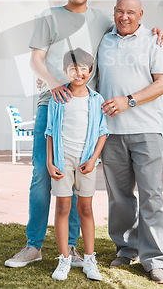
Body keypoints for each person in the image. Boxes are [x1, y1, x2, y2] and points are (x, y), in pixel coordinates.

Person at [5, 0, 163, 268]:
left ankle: (72, 247)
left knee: (81, 176)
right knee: (42, 174)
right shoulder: (48, 16)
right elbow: (35, 60)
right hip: (51, 105)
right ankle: (33, 245)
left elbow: (129, 27)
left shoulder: (104, 20)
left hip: (87, 111)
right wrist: (53, 84)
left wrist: (157, 32)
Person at [98, 0, 163, 285]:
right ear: (113, 13)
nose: (124, 17)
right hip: (112, 132)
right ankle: (126, 249)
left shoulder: (155, 40)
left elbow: (162, 84)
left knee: (151, 195)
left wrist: (128, 101)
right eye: (119, 11)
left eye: (130, 12)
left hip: (147, 131)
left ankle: (154, 260)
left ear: (141, 15)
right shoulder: (104, 40)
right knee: (119, 198)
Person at [45, 48, 108, 281]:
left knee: (86, 209)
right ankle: (64, 260)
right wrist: (51, 162)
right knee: (62, 208)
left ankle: (90, 259)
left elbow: (103, 132)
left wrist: (93, 160)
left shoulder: (96, 99)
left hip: (86, 163)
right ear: (65, 71)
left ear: (90, 71)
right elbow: (50, 132)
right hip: (62, 161)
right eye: (73, 68)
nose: (78, 72)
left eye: (83, 68)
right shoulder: (58, 98)